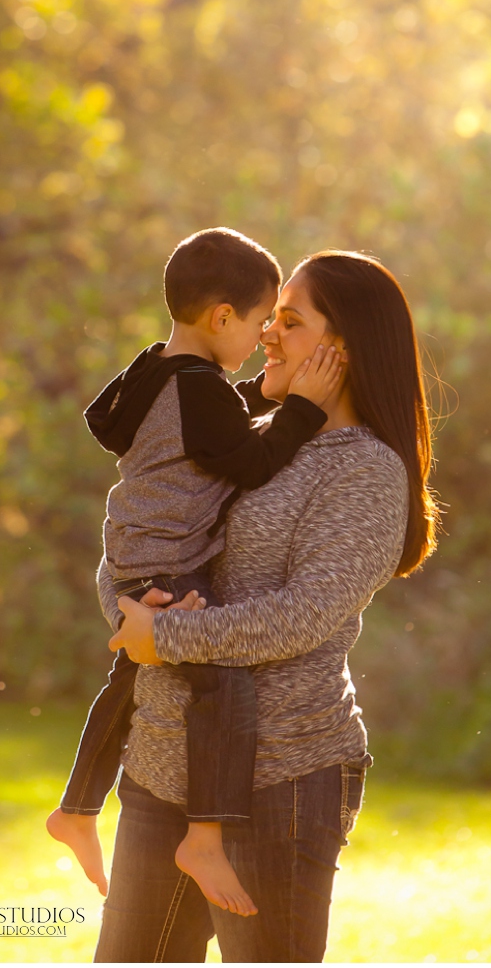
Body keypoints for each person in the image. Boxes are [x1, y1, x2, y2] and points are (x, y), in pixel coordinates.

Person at [94, 249, 439, 963]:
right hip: (162, 765)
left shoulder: (365, 470)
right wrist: (127, 610)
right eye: (267, 318)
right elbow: (139, 528)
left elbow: (301, 615)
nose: (266, 336)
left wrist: (169, 634)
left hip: (279, 778)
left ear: (338, 350)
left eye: (288, 320)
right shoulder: (243, 439)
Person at [46, 227, 344, 915]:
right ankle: (204, 834)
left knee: (129, 675)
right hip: (168, 562)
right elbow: (252, 462)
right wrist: (302, 406)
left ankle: (77, 807)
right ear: (220, 317)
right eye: (259, 321)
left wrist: (255, 399)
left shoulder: (156, 369)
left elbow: (108, 421)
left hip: (128, 551)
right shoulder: (200, 392)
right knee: (225, 686)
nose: (263, 336)